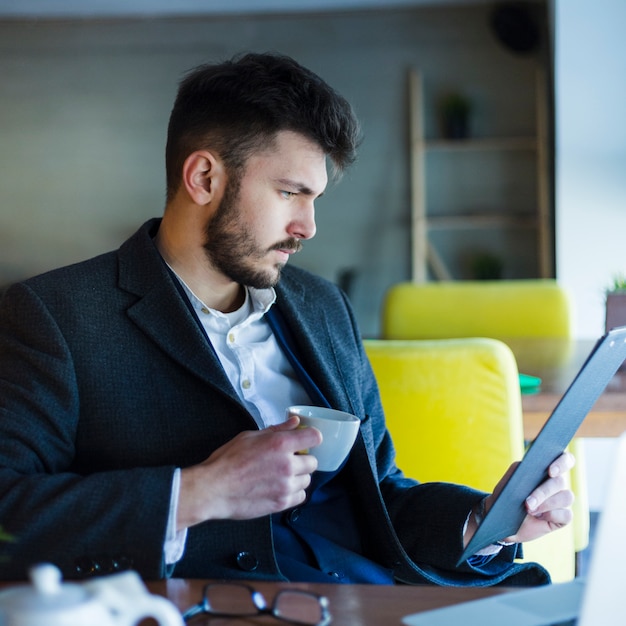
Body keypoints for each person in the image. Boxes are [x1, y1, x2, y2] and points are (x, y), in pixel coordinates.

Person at [0, 52, 573, 586]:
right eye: (289, 193)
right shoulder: (54, 316)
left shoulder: (323, 307)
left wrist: (482, 522)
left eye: (315, 197)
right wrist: (197, 493)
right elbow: (8, 513)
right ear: (204, 178)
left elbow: (380, 493)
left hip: (372, 601)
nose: (308, 227)